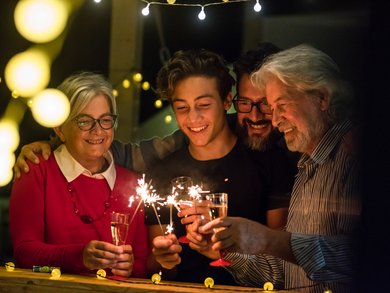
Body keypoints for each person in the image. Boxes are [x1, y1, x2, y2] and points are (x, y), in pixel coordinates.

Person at [195, 44, 361, 293]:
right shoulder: (306, 168)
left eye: (281, 105)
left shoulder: (355, 156)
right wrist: (224, 251)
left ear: (322, 98)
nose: (273, 120)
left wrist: (269, 238)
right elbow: (285, 274)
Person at [144, 48, 292, 285]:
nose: (193, 118)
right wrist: (163, 261)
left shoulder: (269, 163)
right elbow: (157, 270)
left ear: (226, 101)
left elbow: (283, 260)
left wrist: (229, 245)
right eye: (182, 107)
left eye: (203, 104)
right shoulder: (160, 174)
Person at [9, 72, 149, 278]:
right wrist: (79, 256)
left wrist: (129, 268)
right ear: (60, 128)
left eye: (105, 120)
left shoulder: (133, 182)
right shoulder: (36, 170)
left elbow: (142, 263)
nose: (97, 131)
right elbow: (24, 254)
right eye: (84, 121)